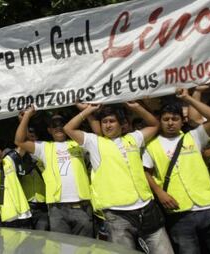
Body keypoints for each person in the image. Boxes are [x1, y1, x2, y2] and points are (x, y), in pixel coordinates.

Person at [64, 102, 173, 253]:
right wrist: (89, 110)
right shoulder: (94, 142)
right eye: (104, 122)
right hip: (117, 215)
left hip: (147, 208)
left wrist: (136, 107)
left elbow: (154, 125)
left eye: (112, 121)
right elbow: (68, 128)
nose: (108, 125)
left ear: (122, 124)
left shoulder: (133, 138)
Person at [144, 88, 210, 254]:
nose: (170, 122)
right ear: (160, 121)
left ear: (182, 121)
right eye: (166, 119)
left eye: (175, 119)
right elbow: (145, 172)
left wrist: (188, 98)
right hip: (179, 212)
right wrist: (159, 193)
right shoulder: (151, 146)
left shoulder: (194, 137)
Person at [15, 109, 93, 236]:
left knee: (85, 249)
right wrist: (26, 117)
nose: (58, 128)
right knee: (62, 249)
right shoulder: (44, 147)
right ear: (49, 130)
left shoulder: (79, 143)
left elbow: (98, 135)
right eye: (54, 125)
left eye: (61, 124)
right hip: (57, 210)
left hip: (82, 207)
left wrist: (86, 110)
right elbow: (19, 141)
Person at [5, 125, 49, 231]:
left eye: (32, 137)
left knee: (42, 240)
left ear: (37, 139)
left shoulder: (45, 155)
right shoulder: (16, 158)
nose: (29, 140)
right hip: (25, 206)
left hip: (43, 206)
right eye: (26, 138)